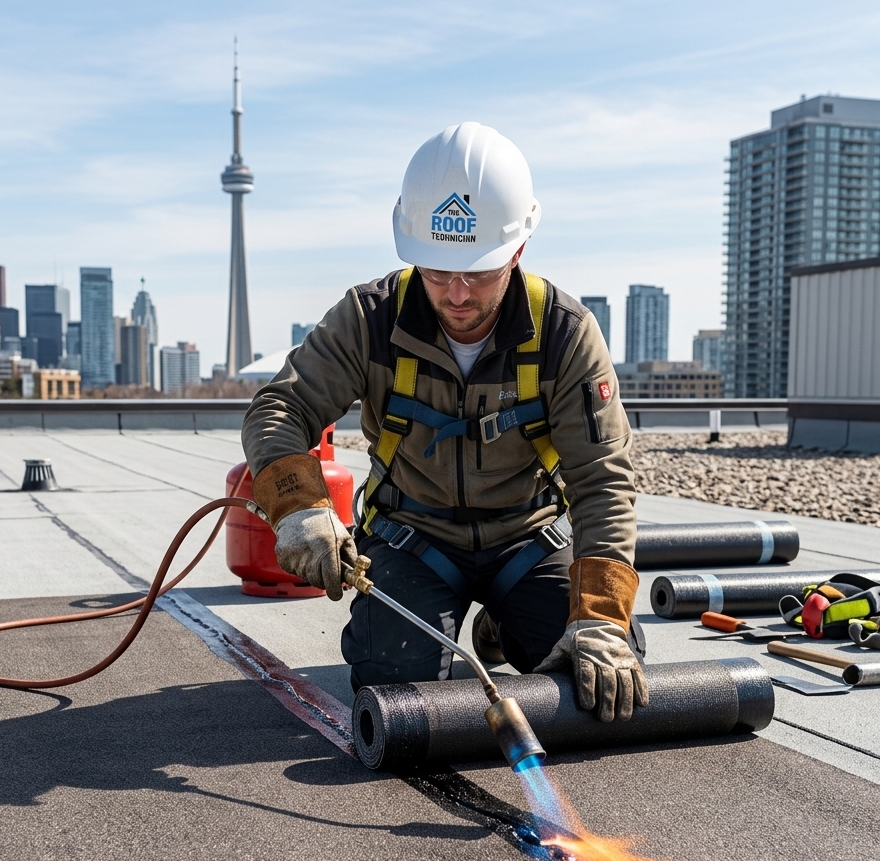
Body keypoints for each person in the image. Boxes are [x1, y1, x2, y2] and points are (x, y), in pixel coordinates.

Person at [241, 122, 646, 722]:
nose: (456, 293)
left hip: (526, 538)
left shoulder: (564, 332)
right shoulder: (369, 318)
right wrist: (300, 506)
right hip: (413, 537)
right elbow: (281, 409)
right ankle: (449, 627)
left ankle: (501, 634)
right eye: (436, 271)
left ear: (517, 251)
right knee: (397, 682)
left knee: (599, 671)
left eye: (477, 272)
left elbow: (603, 481)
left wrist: (602, 620)